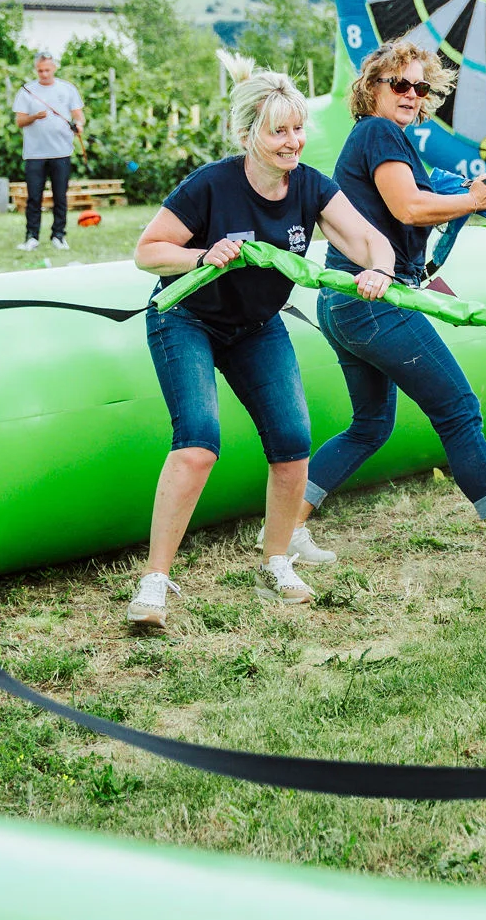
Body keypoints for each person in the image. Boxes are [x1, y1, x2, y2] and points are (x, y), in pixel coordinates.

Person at [289, 39, 486, 574]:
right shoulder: (378, 133)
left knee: (371, 425)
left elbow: (411, 210)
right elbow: (409, 206)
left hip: (344, 301)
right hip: (373, 299)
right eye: (399, 84)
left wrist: (478, 206)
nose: (411, 94)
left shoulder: (388, 139)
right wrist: (474, 201)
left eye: (420, 87)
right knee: (459, 411)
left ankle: (285, 527)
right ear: (371, 88)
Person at [126, 71, 398, 631]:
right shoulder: (210, 185)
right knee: (199, 442)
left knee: (293, 443)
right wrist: (203, 254)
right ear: (249, 132)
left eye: (298, 129)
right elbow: (146, 252)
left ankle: (276, 561)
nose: (293, 142)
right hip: (187, 320)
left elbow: (370, 239)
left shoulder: (309, 185)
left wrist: (380, 270)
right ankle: (154, 581)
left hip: (256, 327)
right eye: (279, 132)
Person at [13, 52, 84, 252]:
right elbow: (19, 121)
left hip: (61, 152)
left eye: (47, 70)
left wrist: (78, 126)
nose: (44, 74)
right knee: (34, 197)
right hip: (34, 154)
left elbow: (79, 116)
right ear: (36, 70)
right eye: (40, 70)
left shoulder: (67, 89)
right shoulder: (27, 90)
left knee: (60, 196)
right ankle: (31, 237)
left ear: (54, 68)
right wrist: (34, 116)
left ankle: (59, 236)